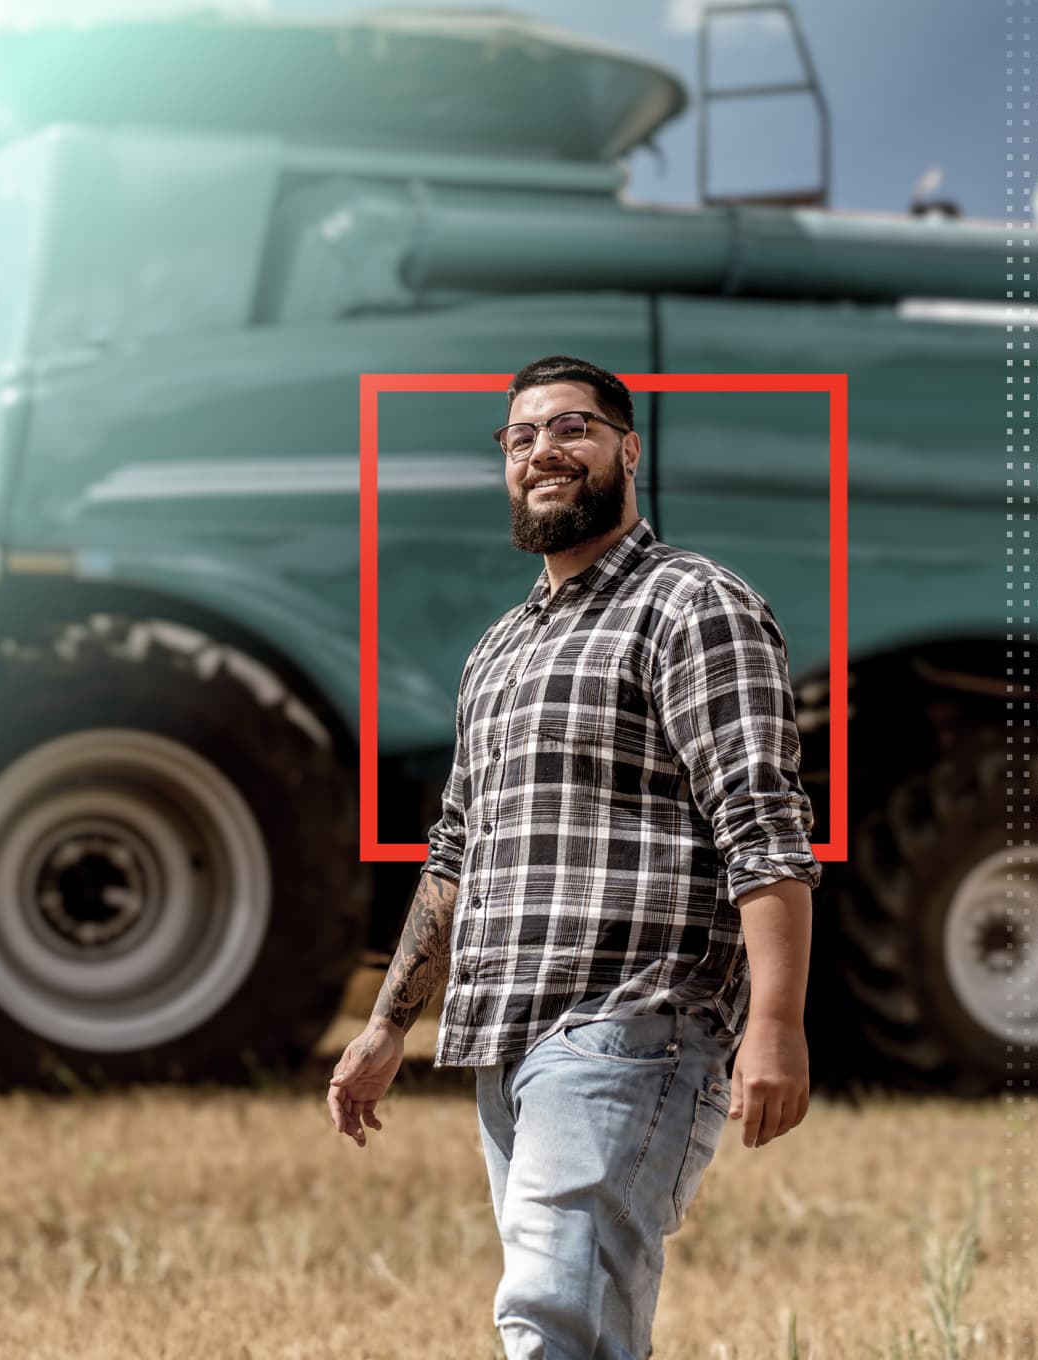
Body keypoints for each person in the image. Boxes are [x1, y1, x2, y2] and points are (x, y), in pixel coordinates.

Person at [327, 354, 822, 1360]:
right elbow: (456, 848)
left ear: (627, 449)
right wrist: (386, 1028)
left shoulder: (691, 603)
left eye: (572, 428)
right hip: (506, 1039)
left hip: (633, 1020)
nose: (543, 451)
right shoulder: (499, 648)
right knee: (580, 1320)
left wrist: (774, 1022)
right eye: (521, 437)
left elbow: (760, 818)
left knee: (553, 1315)